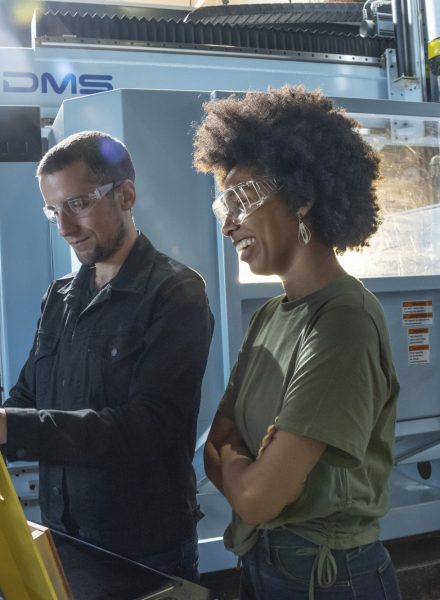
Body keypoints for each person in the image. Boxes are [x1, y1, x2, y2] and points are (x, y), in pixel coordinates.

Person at [193, 86, 402, 599]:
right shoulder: (271, 315)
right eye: (225, 203)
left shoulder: (343, 323)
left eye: (243, 198)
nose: (228, 223)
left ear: (304, 197)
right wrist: (246, 463)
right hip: (266, 568)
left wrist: (237, 462)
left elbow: (259, 498)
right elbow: (213, 443)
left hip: (330, 580)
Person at [0, 130, 213, 581]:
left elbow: (147, 427)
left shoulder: (174, 293)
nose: (64, 228)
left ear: (126, 194)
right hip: (64, 542)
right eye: (54, 211)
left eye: (77, 204)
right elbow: (28, 395)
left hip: (142, 554)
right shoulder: (59, 297)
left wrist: (10, 425)